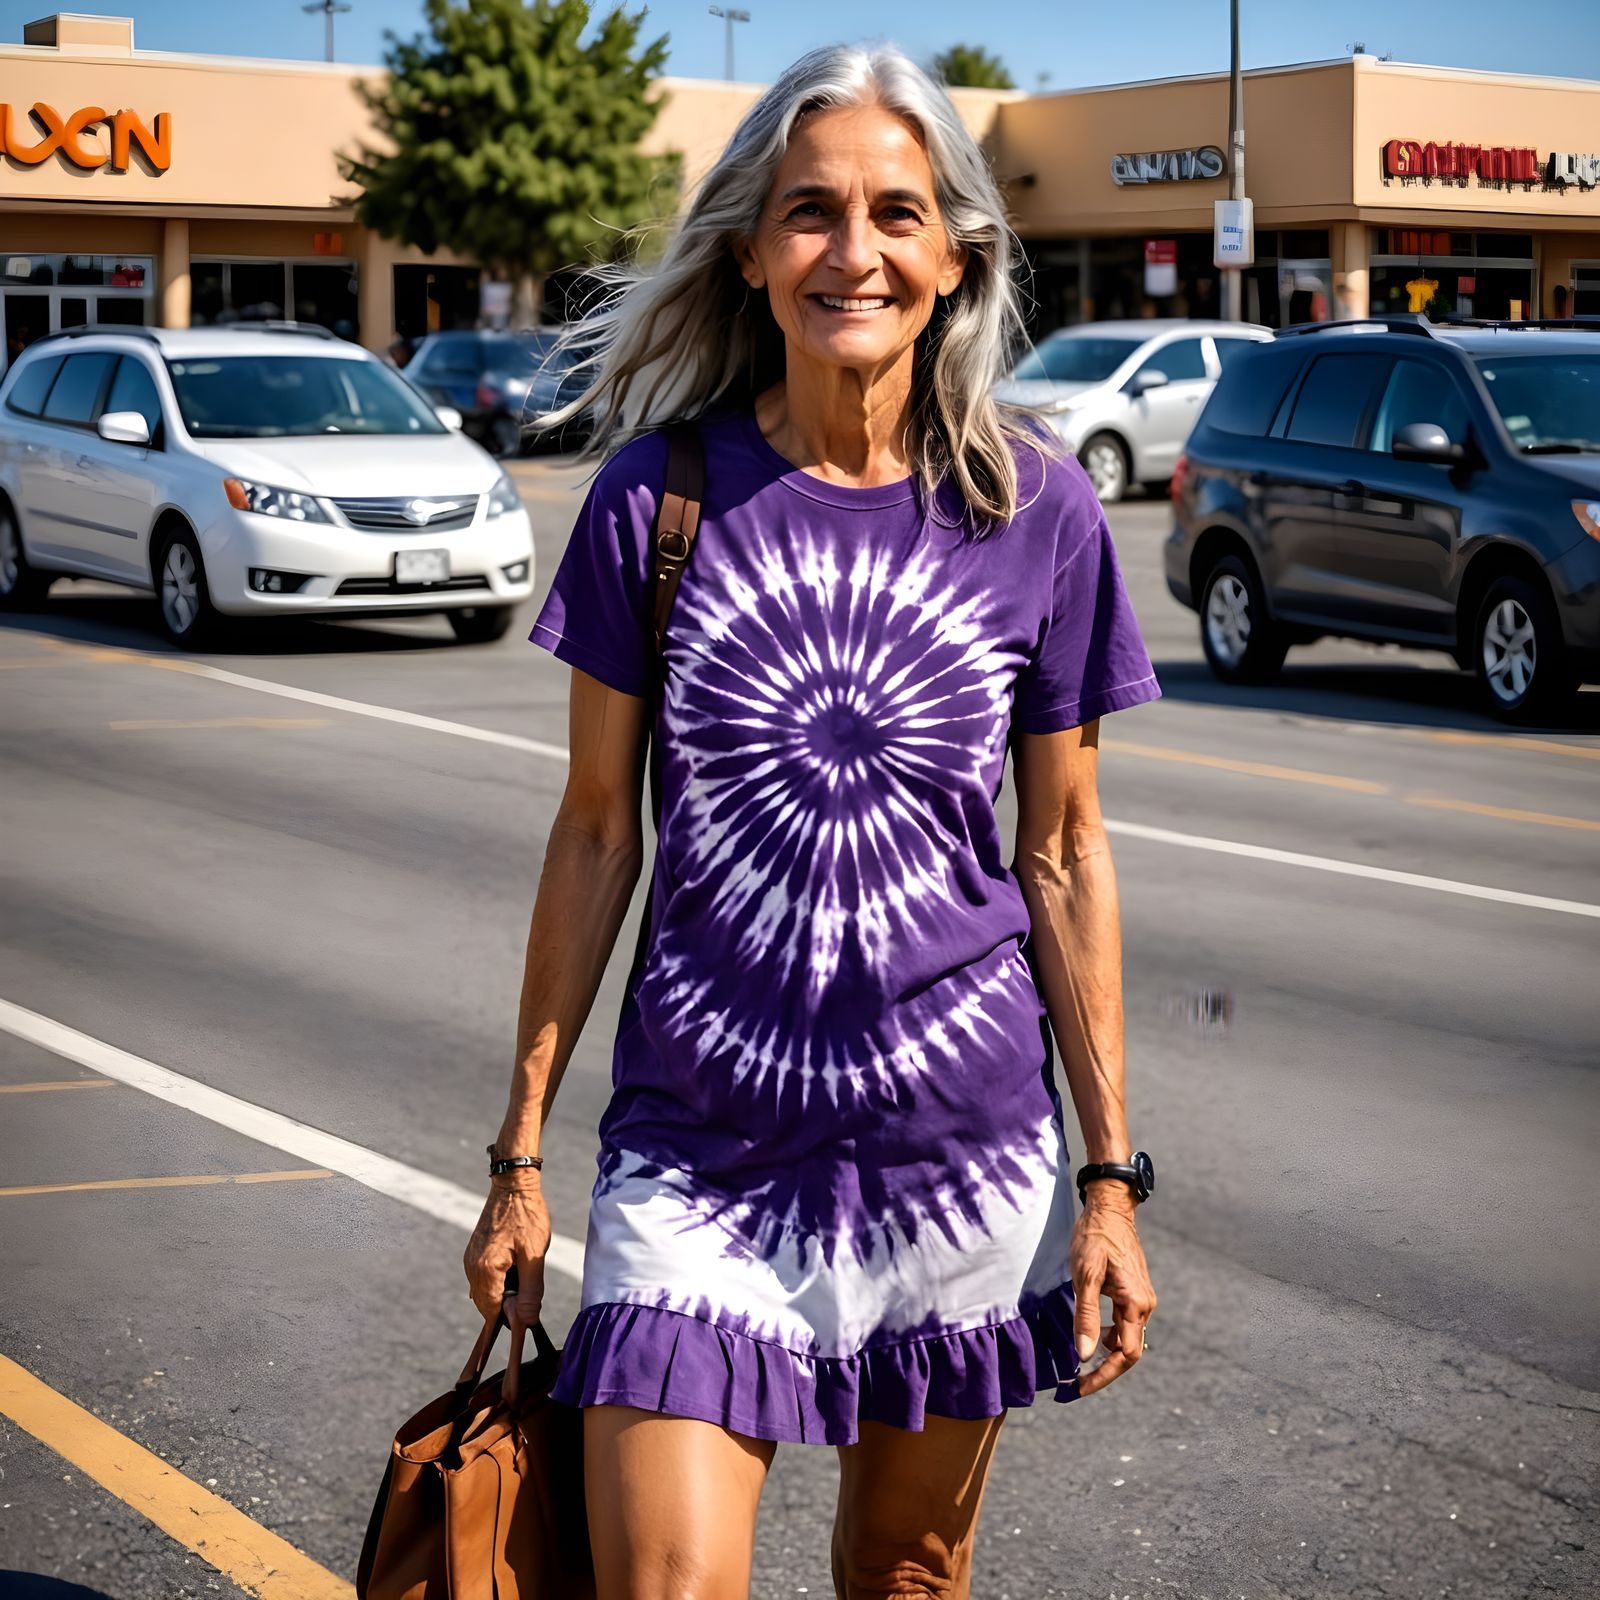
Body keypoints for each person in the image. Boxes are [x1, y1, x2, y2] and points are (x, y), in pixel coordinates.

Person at [465, 41, 1161, 1598]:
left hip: (964, 1161)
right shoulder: (658, 497)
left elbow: (1060, 853)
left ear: (957, 251)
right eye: (811, 212)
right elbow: (594, 835)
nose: (855, 252)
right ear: (749, 248)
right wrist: (518, 1153)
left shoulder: (1035, 511)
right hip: (698, 1159)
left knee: (905, 1575)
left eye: (898, 214)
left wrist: (1110, 1182)